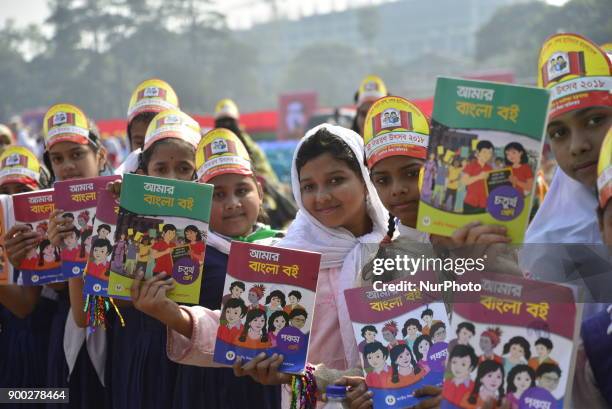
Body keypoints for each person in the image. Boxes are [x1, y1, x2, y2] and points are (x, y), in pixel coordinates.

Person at [131, 127, 283, 409]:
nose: (232, 204)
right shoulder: (190, 252)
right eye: (217, 195)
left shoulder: (284, 247)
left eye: (242, 190)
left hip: (271, 383)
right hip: (208, 384)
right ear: (199, 202)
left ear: (259, 191)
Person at [43, 103, 110, 409]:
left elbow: (93, 314)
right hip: (67, 340)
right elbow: (79, 311)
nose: (67, 166)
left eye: (77, 154)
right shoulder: (50, 217)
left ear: (101, 156)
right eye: (58, 159)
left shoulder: (128, 206)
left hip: (119, 340)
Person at [0, 146, 55, 403]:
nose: (12, 202)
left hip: (47, 345)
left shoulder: (51, 233)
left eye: (23, 193)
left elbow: (24, 306)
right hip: (11, 349)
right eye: (4, 194)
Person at [461, 140, 494, 214]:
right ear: (478, 152)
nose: (487, 155)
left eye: (490, 153)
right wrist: (479, 177)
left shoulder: (490, 169)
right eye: (484, 152)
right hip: (470, 202)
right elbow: (464, 181)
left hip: (483, 204)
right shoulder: (471, 166)